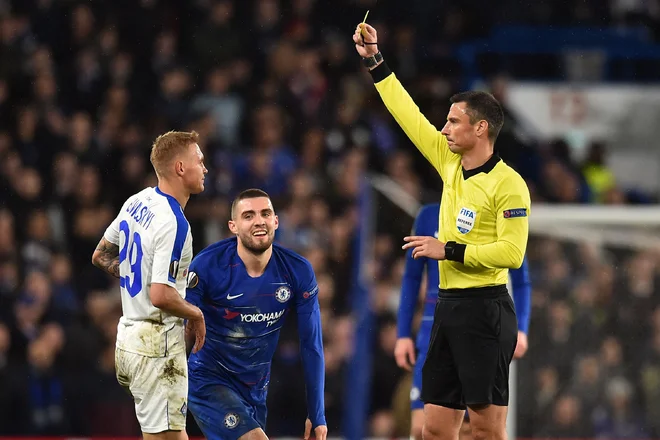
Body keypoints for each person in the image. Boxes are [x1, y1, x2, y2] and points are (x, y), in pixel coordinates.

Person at [353, 22, 531, 440]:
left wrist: (449, 250)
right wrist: (374, 61)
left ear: (480, 128)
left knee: (486, 429)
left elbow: (512, 254)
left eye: (453, 121)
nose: (445, 129)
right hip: (446, 308)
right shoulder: (449, 161)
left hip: (486, 310)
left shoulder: (509, 184)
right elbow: (406, 113)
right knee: (434, 428)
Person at [91, 130, 208, 440]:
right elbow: (160, 295)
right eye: (199, 160)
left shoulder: (137, 200)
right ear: (180, 168)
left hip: (128, 340)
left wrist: (136, 272)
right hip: (157, 347)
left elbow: (100, 255)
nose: (205, 168)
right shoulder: (174, 223)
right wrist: (195, 314)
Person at [185, 188, 327, 440]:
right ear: (233, 226)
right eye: (248, 215)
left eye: (265, 213)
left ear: (276, 221)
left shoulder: (297, 271)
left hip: (255, 389)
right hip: (207, 379)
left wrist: (317, 414)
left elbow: (311, 345)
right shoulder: (208, 265)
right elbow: (181, 326)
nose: (259, 220)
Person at [395, 203, 532, 440]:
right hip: (433, 330)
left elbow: (520, 278)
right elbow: (412, 275)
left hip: (479, 328)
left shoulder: (490, 211)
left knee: (477, 428)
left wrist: (523, 329)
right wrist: (403, 334)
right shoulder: (429, 215)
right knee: (421, 428)